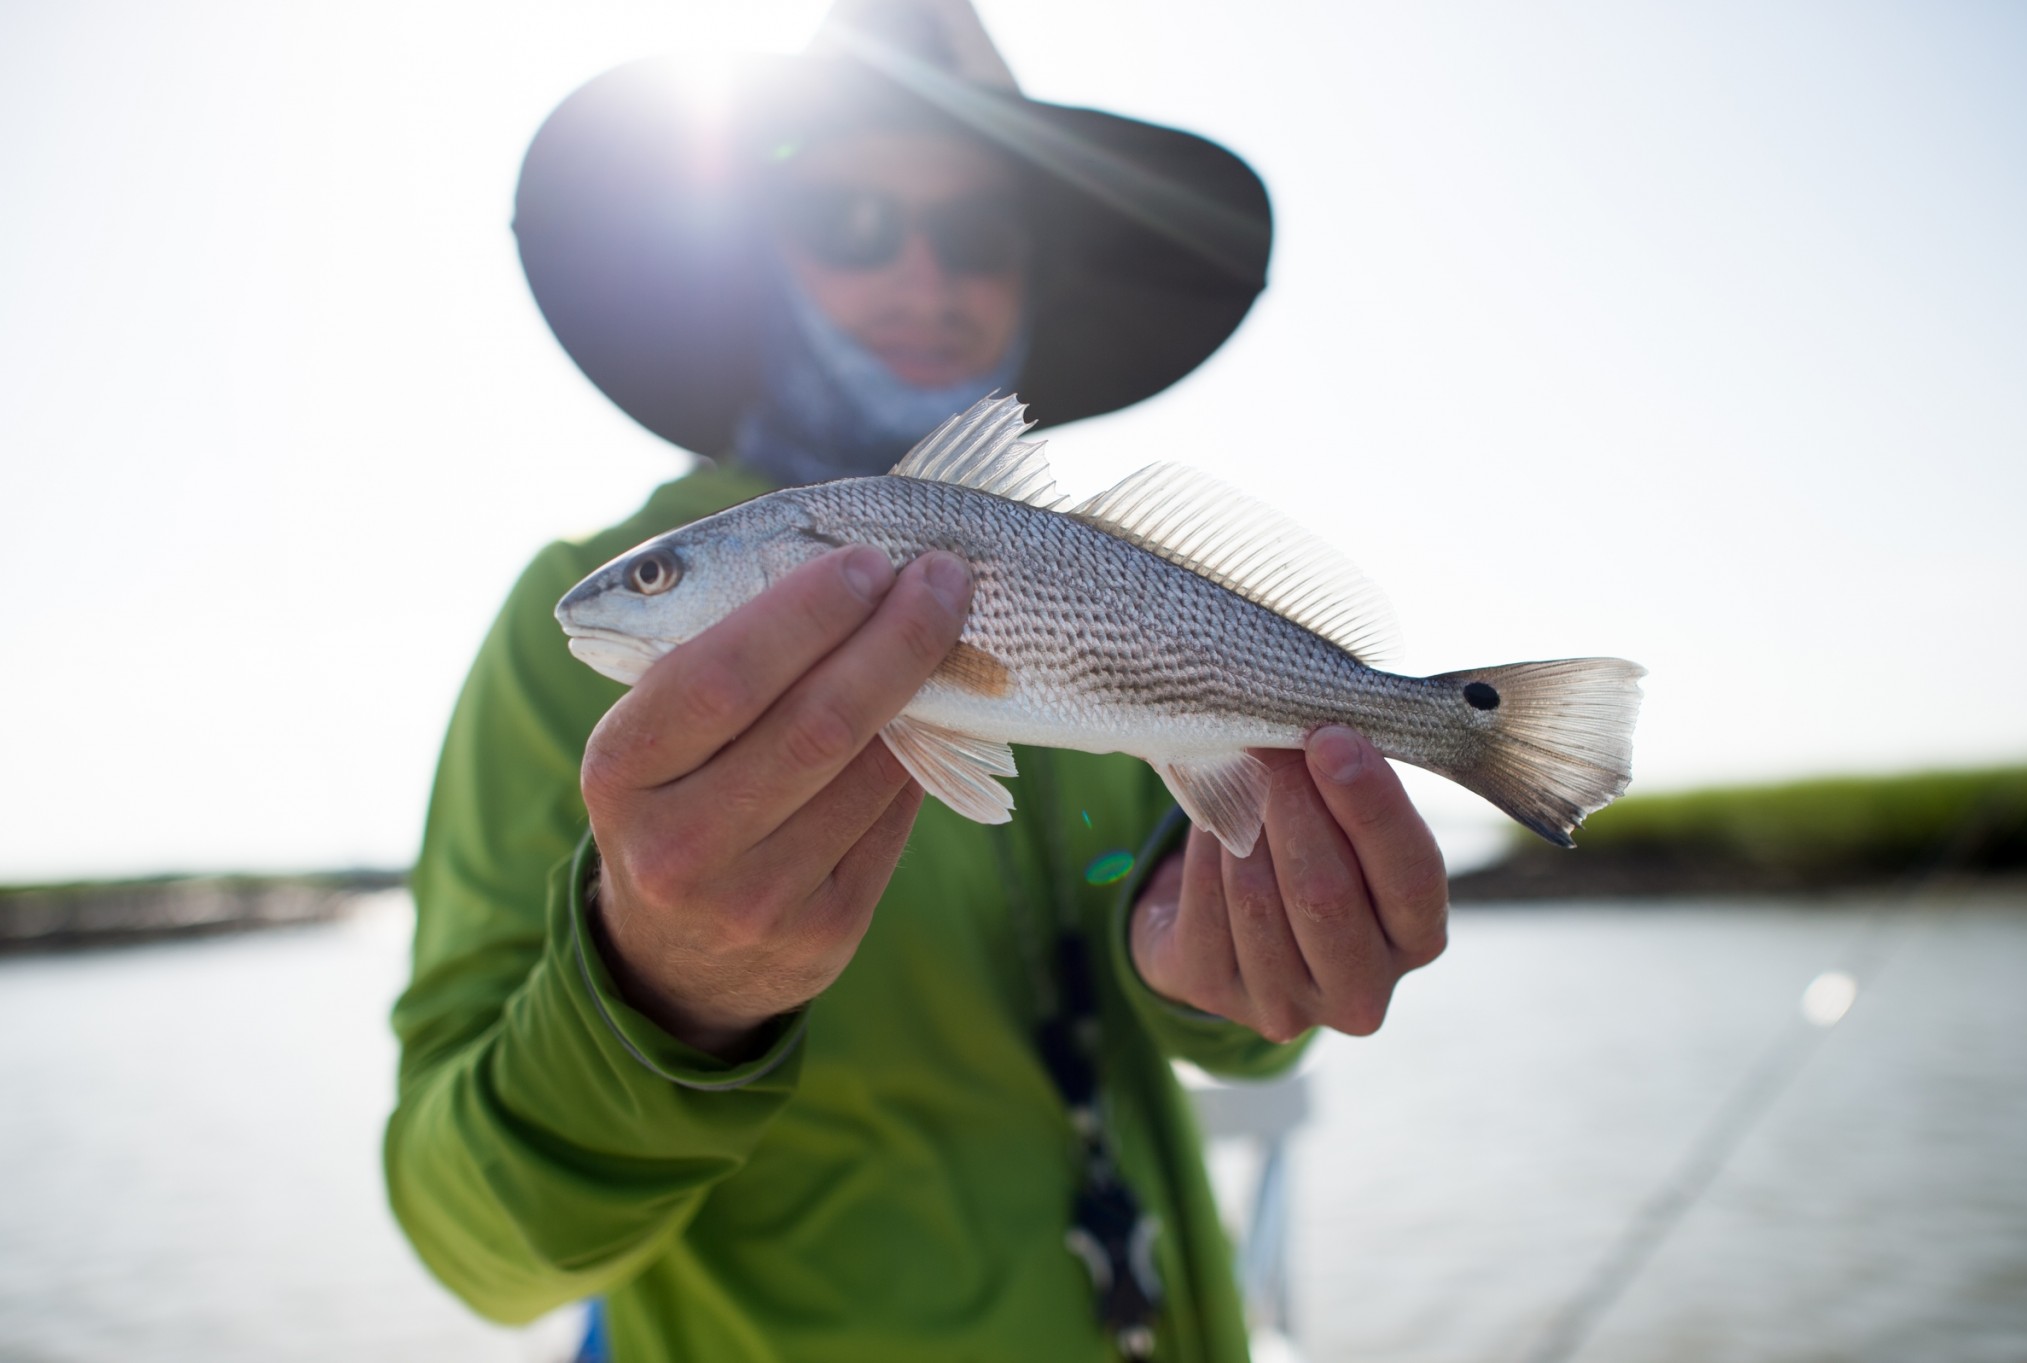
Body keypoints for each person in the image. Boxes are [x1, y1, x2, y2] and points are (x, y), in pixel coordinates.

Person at [385, 3, 1450, 1360]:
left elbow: (1204, 935)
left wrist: (1228, 991)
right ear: (759, 258)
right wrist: (662, 992)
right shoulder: (569, 640)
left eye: (981, 235)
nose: (926, 277)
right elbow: (470, 1242)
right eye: (851, 222)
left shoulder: (1087, 583)